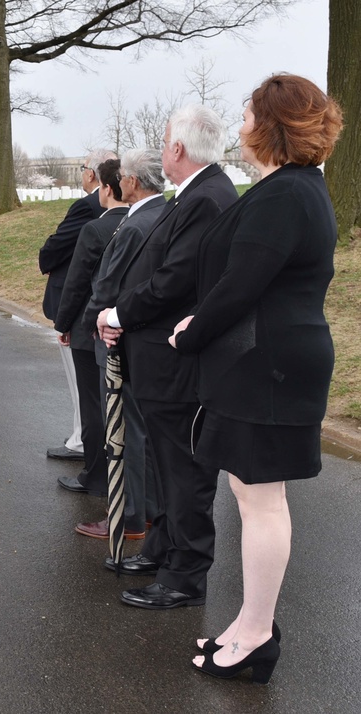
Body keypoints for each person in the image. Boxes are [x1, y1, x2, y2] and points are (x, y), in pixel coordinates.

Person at [169, 75, 342, 683]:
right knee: (253, 497)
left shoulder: (286, 194)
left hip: (267, 365)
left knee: (262, 501)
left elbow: (242, 285)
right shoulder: (290, 188)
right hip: (267, 359)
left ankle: (257, 636)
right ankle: (249, 627)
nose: (239, 121)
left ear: (269, 125)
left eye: (246, 112)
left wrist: (191, 333)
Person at [97, 106, 238, 610]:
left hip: (175, 361)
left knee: (183, 468)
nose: (162, 150)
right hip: (159, 357)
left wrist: (118, 312)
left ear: (177, 149)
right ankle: (164, 545)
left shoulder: (208, 197)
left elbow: (174, 282)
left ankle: (186, 573)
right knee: (163, 461)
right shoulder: (199, 193)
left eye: (163, 142)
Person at [78, 149, 167, 545]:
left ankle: (129, 514)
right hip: (144, 338)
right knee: (141, 431)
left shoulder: (134, 225)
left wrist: (93, 322)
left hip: (118, 339)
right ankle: (146, 510)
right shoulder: (163, 213)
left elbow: (107, 285)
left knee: (125, 431)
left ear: (132, 182)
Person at [52, 158, 128, 520]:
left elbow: (77, 282)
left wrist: (62, 323)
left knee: (95, 405)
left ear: (107, 188)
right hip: (127, 324)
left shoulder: (96, 230)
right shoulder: (145, 221)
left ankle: (95, 475)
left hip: (89, 327)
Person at [39, 149, 115, 477]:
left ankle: (83, 442)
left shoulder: (88, 206)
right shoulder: (105, 207)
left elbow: (60, 244)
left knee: (80, 383)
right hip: (95, 304)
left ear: (92, 174)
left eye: (84, 167)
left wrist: (44, 259)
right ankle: (79, 438)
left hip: (79, 304)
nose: (82, 172)